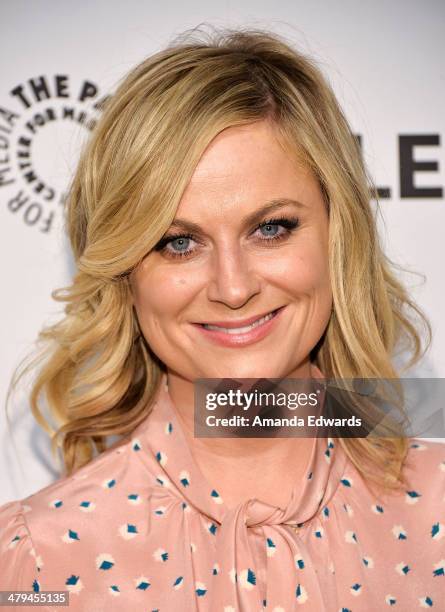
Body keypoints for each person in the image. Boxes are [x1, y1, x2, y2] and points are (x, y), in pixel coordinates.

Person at [0, 26, 444, 612]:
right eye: (179, 243)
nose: (233, 288)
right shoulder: (38, 563)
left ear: (340, 236)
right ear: (125, 273)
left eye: (272, 228)